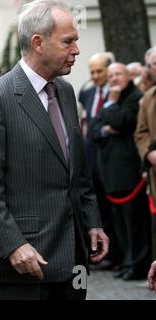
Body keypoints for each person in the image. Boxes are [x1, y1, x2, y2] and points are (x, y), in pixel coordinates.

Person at [0, 0, 109, 300]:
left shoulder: (66, 92)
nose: (77, 50)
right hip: (23, 266)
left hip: (73, 261)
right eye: (68, 41)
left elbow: (78, 174)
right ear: (38, 43)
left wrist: (92, 222)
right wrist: (13, 245)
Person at [91, 63, 150, 281]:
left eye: (119, 74)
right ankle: (127, 260)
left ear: (128, 76)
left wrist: (112, 106)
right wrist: (108, 126)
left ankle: (138, 264)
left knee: (134, 223)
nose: (114, 79)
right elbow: (96, 130)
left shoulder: (134, 98)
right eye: (112, 75)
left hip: (129, 173)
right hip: (111, 174)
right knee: (120, 224)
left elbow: (122, 121)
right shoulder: (111, 99)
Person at [78, 52, 119, 271]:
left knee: (115, 210)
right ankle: (101, 253)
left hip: (113, 161)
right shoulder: (87, 93)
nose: (95, 76)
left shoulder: (117, 93)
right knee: (98, 207)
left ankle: (117, 254)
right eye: (92, 71)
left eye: (99, 71)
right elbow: (91, 125)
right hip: (91, 158)